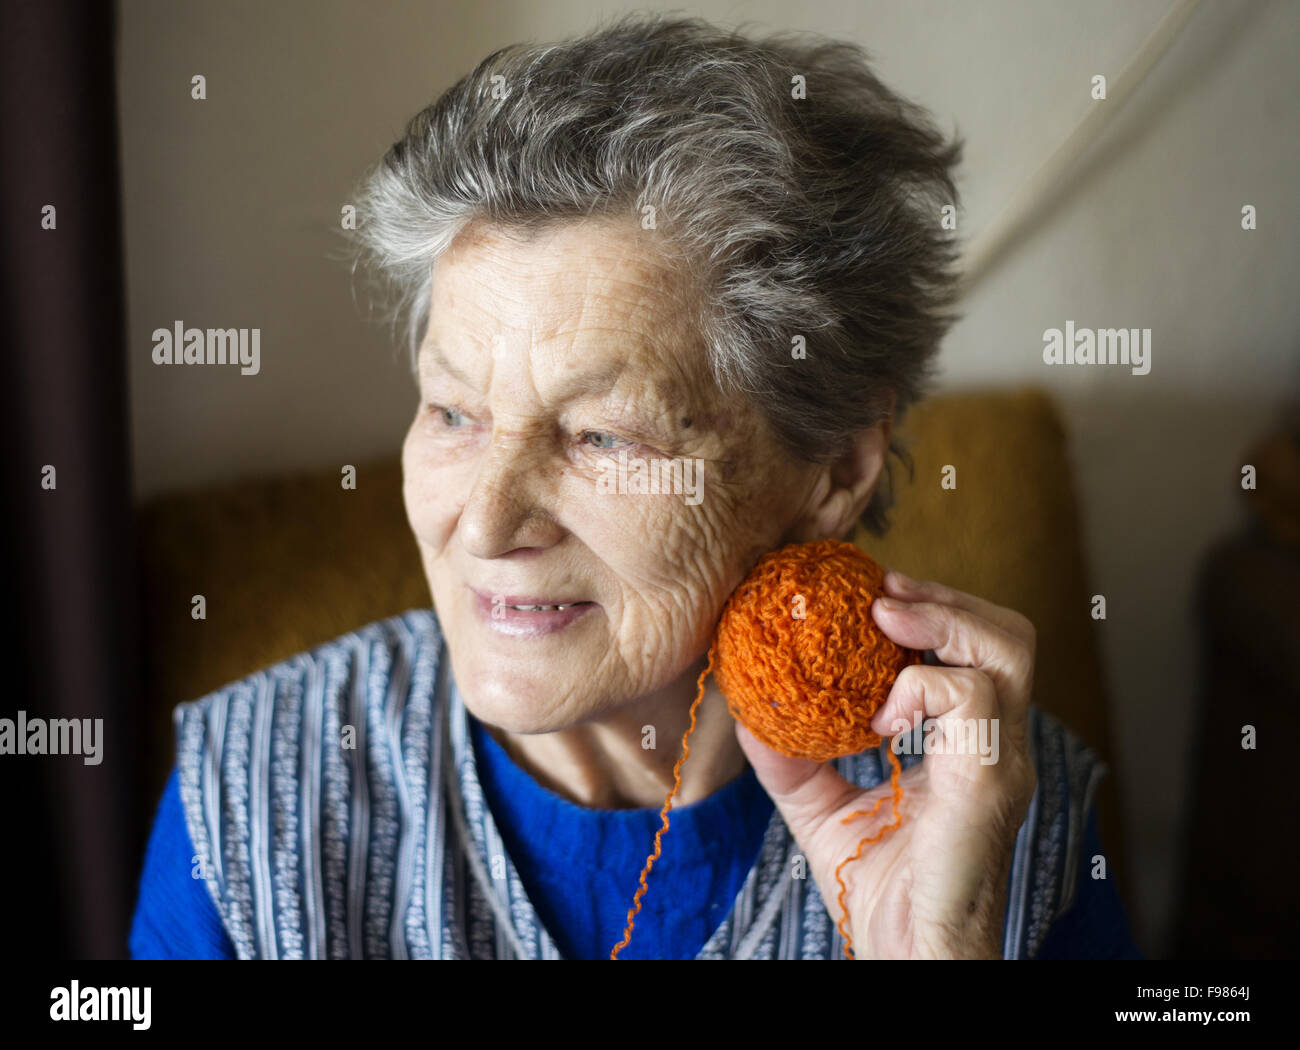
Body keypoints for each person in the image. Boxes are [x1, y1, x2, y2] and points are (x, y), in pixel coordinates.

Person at [130, 14, 1141, 960]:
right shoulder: (250, 799)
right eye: (452, 412)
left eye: (600, 435)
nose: (483, 522)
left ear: (835, 467)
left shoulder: (1001, 808)